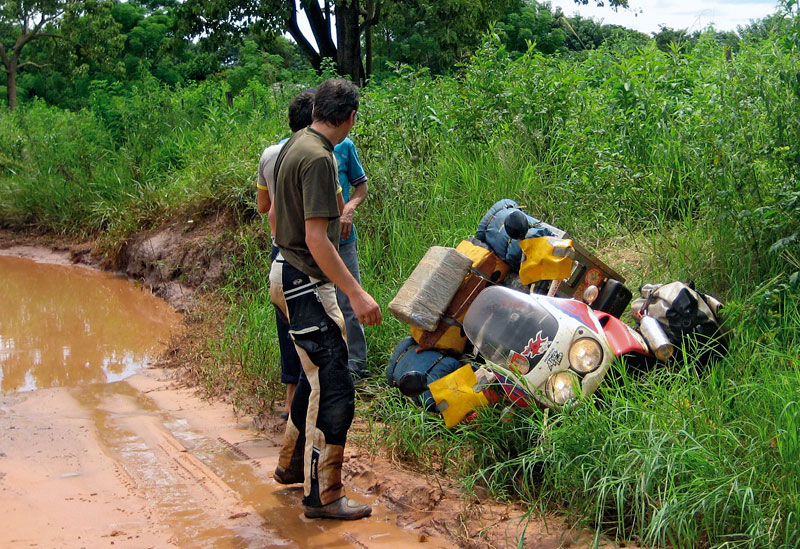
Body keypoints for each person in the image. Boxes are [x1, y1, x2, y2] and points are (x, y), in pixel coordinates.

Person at [269, 78, 382, 521]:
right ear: (351, 117)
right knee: (334, 387)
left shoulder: (294, 144)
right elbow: (317, 238)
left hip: (285, 273)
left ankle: (290, 466)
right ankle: (324, 495)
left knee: (312, 377)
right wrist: (355, 293)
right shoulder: (319, 158)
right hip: (305, 283)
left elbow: (277, 215)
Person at [256, 90, 320, 420]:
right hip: (312, 252)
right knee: (317, 325)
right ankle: (314, 397)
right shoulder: (319, 154)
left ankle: (290, 396)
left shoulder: (269, 154)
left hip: (278, 249)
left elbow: (263, 206)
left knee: (286, 325)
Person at [333, 136, 369, 379]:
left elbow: (361, 187)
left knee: (350, 300)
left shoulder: (344, 146)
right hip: (312, 242)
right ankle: (331, 365)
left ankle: (357, 365)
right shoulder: (293, 146)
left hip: (343, 238)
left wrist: (349, 208)